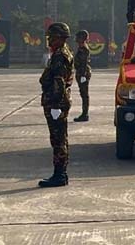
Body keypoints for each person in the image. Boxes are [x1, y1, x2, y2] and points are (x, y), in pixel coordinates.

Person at [38, 23, 74, 188]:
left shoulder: (60, 56)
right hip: (57, 102)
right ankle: (61, 174)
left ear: (59, 38)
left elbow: (59, 82)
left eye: (52, 37)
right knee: (60, 138)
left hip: (56, 103)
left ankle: (59, 175)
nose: (49, 40)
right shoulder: (61, 53)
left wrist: (55, 105)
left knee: (58, 139)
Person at [73, 30, 91, 122]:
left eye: (78, 37)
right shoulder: (80, 48)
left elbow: (84, 63)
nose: (76, 38)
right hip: (80, 73)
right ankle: (84, 113)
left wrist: (83, 75)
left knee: (84, 94)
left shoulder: (84, 49)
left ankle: (85, 114)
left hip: (82, 73)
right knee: (83, 94)